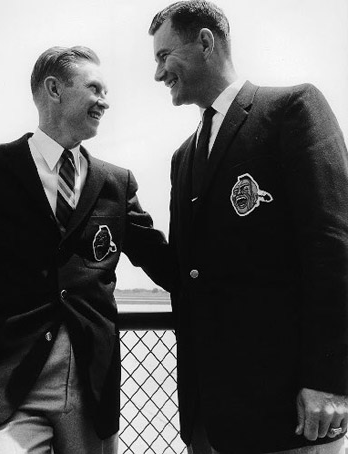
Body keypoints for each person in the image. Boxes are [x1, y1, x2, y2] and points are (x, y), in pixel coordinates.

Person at [0, 45, 170, 454]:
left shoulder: (115, 183)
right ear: (54, 89)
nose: (106, 101)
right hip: (2, 391)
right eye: (95, 88)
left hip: (90, 392)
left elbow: (166, 264)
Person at [148, 2, 348, 453]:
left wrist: (329, 380)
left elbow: (333, 247)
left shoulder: (292, 109)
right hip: (211, 418)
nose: (158, 74)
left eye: (163, 56)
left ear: (205, 41)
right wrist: (119, 208)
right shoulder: (184, 157)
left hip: (291, 415)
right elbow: (185, 270)